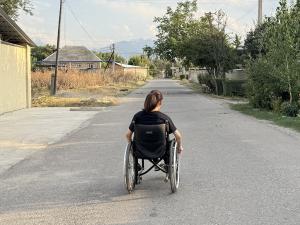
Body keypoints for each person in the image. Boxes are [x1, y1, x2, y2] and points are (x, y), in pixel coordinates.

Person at [126, 90, 183, 167]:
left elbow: (128, 135)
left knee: (134, 143)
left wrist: (132, 148)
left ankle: (136, 165)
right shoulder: (164, 118)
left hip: (140, 151)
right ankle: (168, 165)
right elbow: (178, 136)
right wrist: (179, 146)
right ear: (160, 102)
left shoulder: (137, 117)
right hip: (161, 151)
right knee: (169, 144)